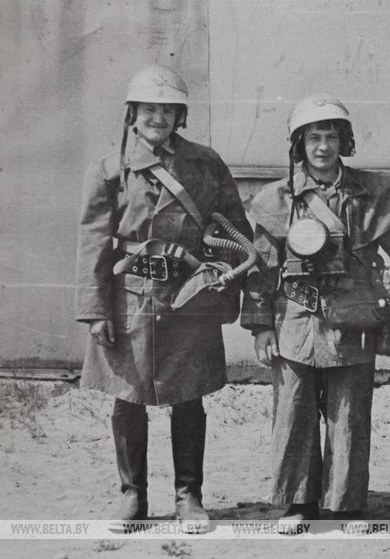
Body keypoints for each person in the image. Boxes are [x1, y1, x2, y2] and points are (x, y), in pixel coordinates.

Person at [75, 65, 252, 531]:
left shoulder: (205, 163)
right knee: (127, 398)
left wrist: (222, 274)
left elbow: (234, 226)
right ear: (132, 113)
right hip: (130, 298)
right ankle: (131, 496)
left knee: (188, 397)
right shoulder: (109, 169)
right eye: (149, 109)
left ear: (180, 116)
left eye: (168, 110)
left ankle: (189, 496)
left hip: (188, 299)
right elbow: (93, 242)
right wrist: (95, 311)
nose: (158, 118)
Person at [241, 94, 390, 529]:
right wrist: (261, 327)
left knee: (350, 413)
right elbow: (262, 268)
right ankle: (300, 503)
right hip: (295, 320)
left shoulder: (373, 194)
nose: (322, 146)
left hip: (353, 319)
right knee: (294, 412)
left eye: (331, 136)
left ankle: (347, 504)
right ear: (299, 143)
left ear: (343, 141)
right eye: (313, 137)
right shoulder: (277, 199)